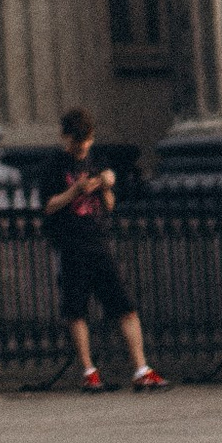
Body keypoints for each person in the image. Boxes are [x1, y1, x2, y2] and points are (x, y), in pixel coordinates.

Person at [45, 109, 167, 391]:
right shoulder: (54, 166)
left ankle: (141, 369)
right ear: (66, 138)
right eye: (77, 143)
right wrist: (75, 191)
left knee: (125, 306)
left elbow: (109, 206)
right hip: (72, 244)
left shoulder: (97, 161)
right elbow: (49, 206)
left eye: (86, 142)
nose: (82, 148)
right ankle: (89, 371)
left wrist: (106, 187)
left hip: (98, 242)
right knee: (76, 310)